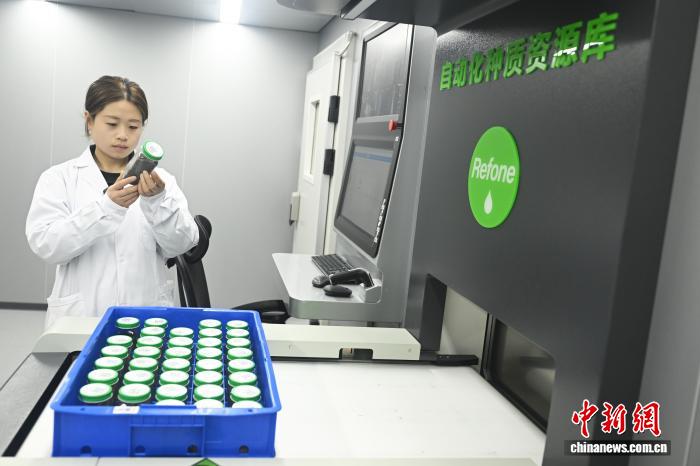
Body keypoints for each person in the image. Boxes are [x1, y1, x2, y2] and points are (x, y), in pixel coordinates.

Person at [26, 76, 199, 329]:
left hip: (146, 316)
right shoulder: (59, 178)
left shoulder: (162, 182)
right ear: (89, 121)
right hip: (83, 318)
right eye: (112, 124)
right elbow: (47, 245)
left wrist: (157, 204)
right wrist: (105, 209)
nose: (122, 135)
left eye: (133, 126)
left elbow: (182, 244)